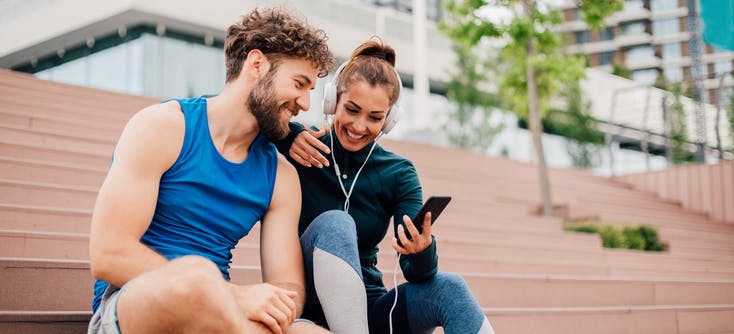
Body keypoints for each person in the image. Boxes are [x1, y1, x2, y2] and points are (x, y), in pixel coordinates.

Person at [87, 8, 334, 334]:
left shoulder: (282, 177)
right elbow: (108, 254)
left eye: (310, 91)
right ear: (256, 64)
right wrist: (234, 295)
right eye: (299, 84)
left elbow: (286, 288)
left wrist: (265, 305)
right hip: (136, 303)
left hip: (224, 317)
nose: (305, 103)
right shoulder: (163, 126)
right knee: (197, 278)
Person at [274, 37, 495, 334]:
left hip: (373, 312)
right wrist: (287, 135)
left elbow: (417, 273)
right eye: (351, 110)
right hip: (306, 307)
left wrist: (421, 251)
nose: (359, 126)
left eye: (375, 117)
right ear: (332, 102)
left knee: (450, 287)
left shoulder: (398, 173)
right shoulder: (304, 147)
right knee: (336, 223)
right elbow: (238, 112)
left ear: (389, 120)